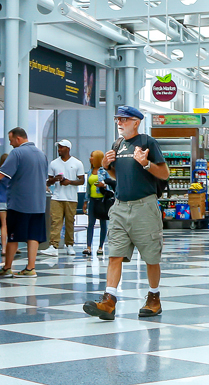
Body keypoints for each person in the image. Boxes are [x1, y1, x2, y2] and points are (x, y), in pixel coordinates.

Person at [82, 106, 170, 320]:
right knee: (114, 254)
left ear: (136, 122)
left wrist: (146, 163)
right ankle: (109, 300)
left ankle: (154, 298)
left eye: (124, 119)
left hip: (144, 206)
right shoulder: (117, 144)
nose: (119, 122)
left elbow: (165, 173)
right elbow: (118, 175)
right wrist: (106, 166)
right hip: (120, 206)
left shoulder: (148, 142)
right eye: (117, 119)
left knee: (151, 257)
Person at [0, 127, 49, 278]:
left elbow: (1, 174)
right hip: (38, 204)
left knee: (14, 236)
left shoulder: (17, 153)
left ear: (18, 139)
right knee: (34, 236)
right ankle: (30, 268)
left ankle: (7, 267)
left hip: (20, 203)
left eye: (11, 140)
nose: (11, 144)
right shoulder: (41, 154)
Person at [47, 140, 86, 255]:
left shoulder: (77, 163)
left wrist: (69, 182)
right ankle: (53, 245)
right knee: (55, 221)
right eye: (58, 147)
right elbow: (48, 182)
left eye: (61, 147)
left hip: (71, 198)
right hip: (57, 197)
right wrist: (55, 179)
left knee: (70, 222)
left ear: (68, 149)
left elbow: (82, 180)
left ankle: (69, 245)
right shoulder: (53, 163)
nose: (59, 150)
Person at [84, 150, 113, 257]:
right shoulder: (90, 171)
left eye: (92, 156)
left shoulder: (104, 171)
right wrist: (85, 201)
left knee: (103, 224)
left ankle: (100, 247)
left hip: (102, 201)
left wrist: (104, 185)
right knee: (90, 223)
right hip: (92, 200)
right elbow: (88, 188)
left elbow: (110, 185)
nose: (90, 158)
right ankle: (88, 247)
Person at [0, 152, 10, 258]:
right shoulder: (12, 173)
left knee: (3, 225)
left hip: (0, 200)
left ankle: (4, 247)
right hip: (11, 201)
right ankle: (13, 246)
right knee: (12, 225)